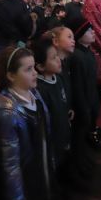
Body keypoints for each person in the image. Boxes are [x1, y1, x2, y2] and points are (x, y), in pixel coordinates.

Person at [0, 46, 53, 200]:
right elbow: (10, 165)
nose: (35, 72)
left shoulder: (35, 96)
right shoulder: (7, 111)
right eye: (28, 69)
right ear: (10, 75)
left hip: (39, 171)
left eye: (34, 67)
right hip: (25, 181)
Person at [33, 37, 71, 175]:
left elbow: (63, 99)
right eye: (53, 58)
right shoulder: (40, 89)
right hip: (52, 140)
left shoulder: (58, 79)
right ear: (40, 66)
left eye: (57, 56)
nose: (58, 60)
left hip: (63, 133)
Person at [68, 17, 100, 154]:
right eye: (88, 30)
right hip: (83, 105)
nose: (93, 32)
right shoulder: (77, 56)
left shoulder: (88, 53)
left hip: (90, 100)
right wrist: (84, 108)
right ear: (79, 35)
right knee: (79, 136)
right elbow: (78, 86)